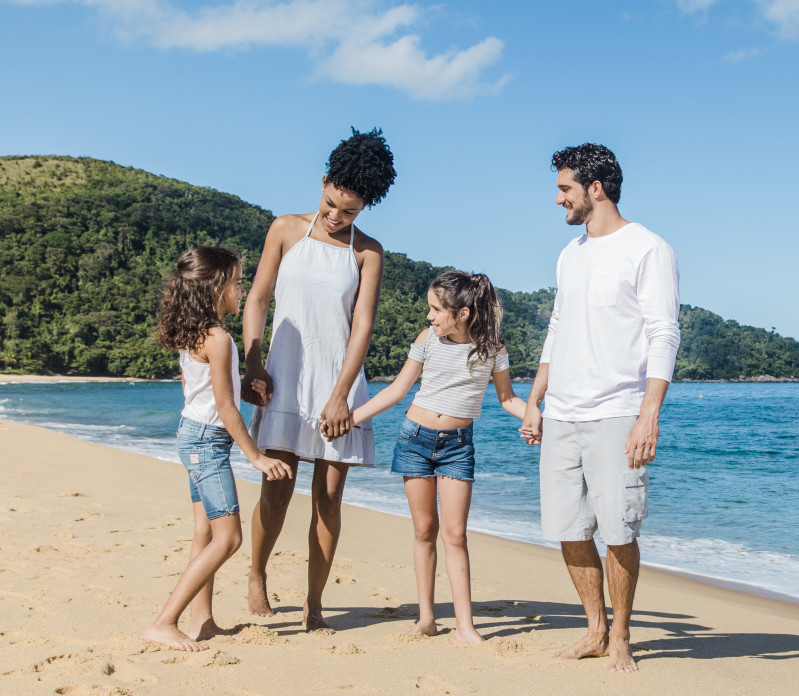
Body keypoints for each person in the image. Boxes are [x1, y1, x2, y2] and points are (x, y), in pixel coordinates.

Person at [519, 143, 680, 673]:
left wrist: (648, 413)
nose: (558, 200)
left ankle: (622, 637)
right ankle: (594, 629)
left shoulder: (648, 248)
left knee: (618, 529)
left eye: (565, 188)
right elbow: (557, 330)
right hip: (562, 412)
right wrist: (536, 401)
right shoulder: (571, 254)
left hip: (617, 412)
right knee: (568, 526)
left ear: (595, 188)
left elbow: (663, 333)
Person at [241, 128, 396, 633]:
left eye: (348, 212)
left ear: (365, 207)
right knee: (277, 489)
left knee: (328, 498)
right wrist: (252, 361)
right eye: (331, 204)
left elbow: (362, 327)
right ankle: (257, 575)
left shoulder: (367, 252)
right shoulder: (285, 229)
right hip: (283, 377)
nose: (336, 217)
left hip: (339, 387)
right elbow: (258, 299)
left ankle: (313, 605)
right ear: (324, 181)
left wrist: (339, 397)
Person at [330, 271, 527, 643]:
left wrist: (541, 419)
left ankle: (466, 627)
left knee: (455, 534)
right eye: (430, 309)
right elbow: (398, 389)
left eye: (437, 310)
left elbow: (508, 399)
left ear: (463, 313)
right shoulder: (427, 341)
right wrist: (350, 419)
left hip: (457, 448)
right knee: (424, 531)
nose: (430, 316)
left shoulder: (492, 349)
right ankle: (426, 618)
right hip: (414, 440)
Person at [144, 247, 293, 651]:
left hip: (190, 434)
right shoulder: (219, 338)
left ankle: (202, 620)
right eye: (238, 282)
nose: (242, 290)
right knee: (228, 539)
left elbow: (195, 388)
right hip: (207, 442)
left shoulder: (195, 332)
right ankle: (164, 621)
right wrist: (257, 457)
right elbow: (225, 409)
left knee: (204, 533)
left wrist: (244, 388)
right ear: (216, 287)